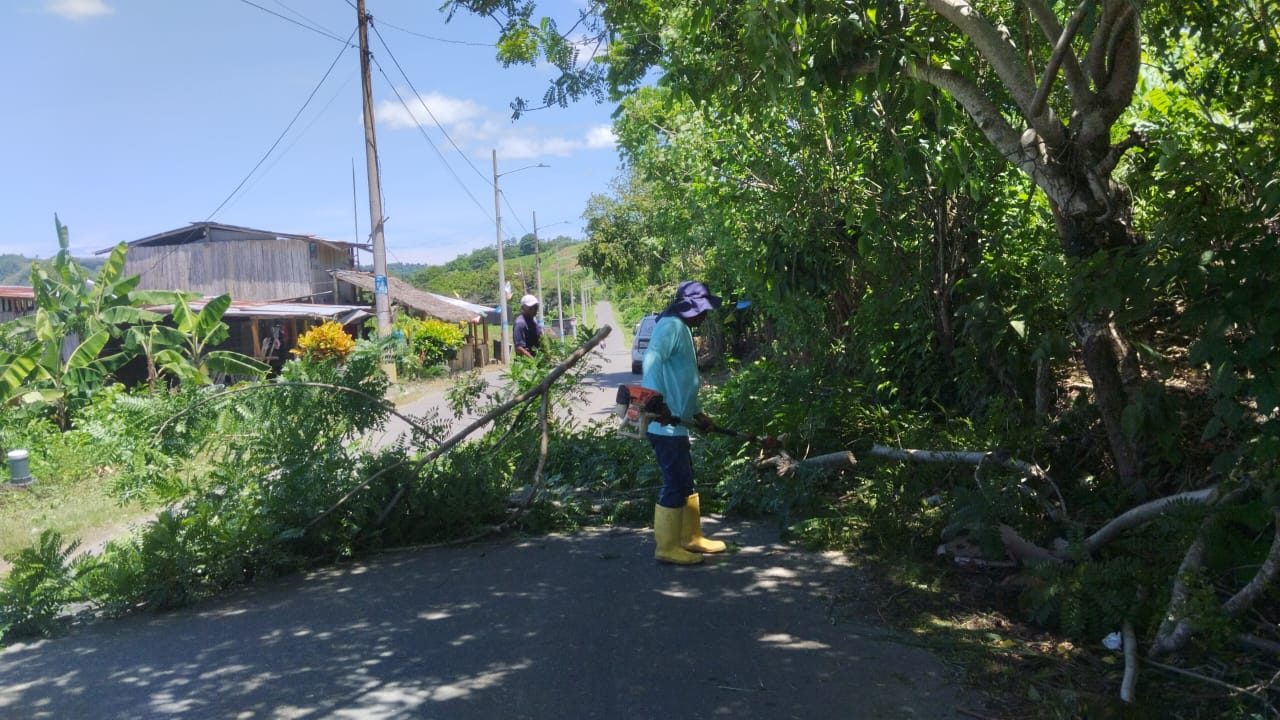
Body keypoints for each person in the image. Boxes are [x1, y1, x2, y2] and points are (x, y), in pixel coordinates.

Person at [641, 280, 727, 565]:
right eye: (702, 309)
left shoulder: (683, 328)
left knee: (686, 482)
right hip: (664, 425)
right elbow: (652, 359)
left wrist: (697, 413)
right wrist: (655, 401)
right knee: (675, 484)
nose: (705, 315)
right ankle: (666, 547)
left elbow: (682, 380)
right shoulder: (670, 326)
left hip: (678, 424)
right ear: (689, 307)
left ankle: (691, 537)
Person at [513, 294, 541, 359]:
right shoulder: (520, 323)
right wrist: (533, 361)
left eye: (535, 307)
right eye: (530, 308)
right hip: (526, 362)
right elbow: (519, 348)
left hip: (537, 358)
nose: (534, 310)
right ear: (523, 308)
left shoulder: (534, 321)